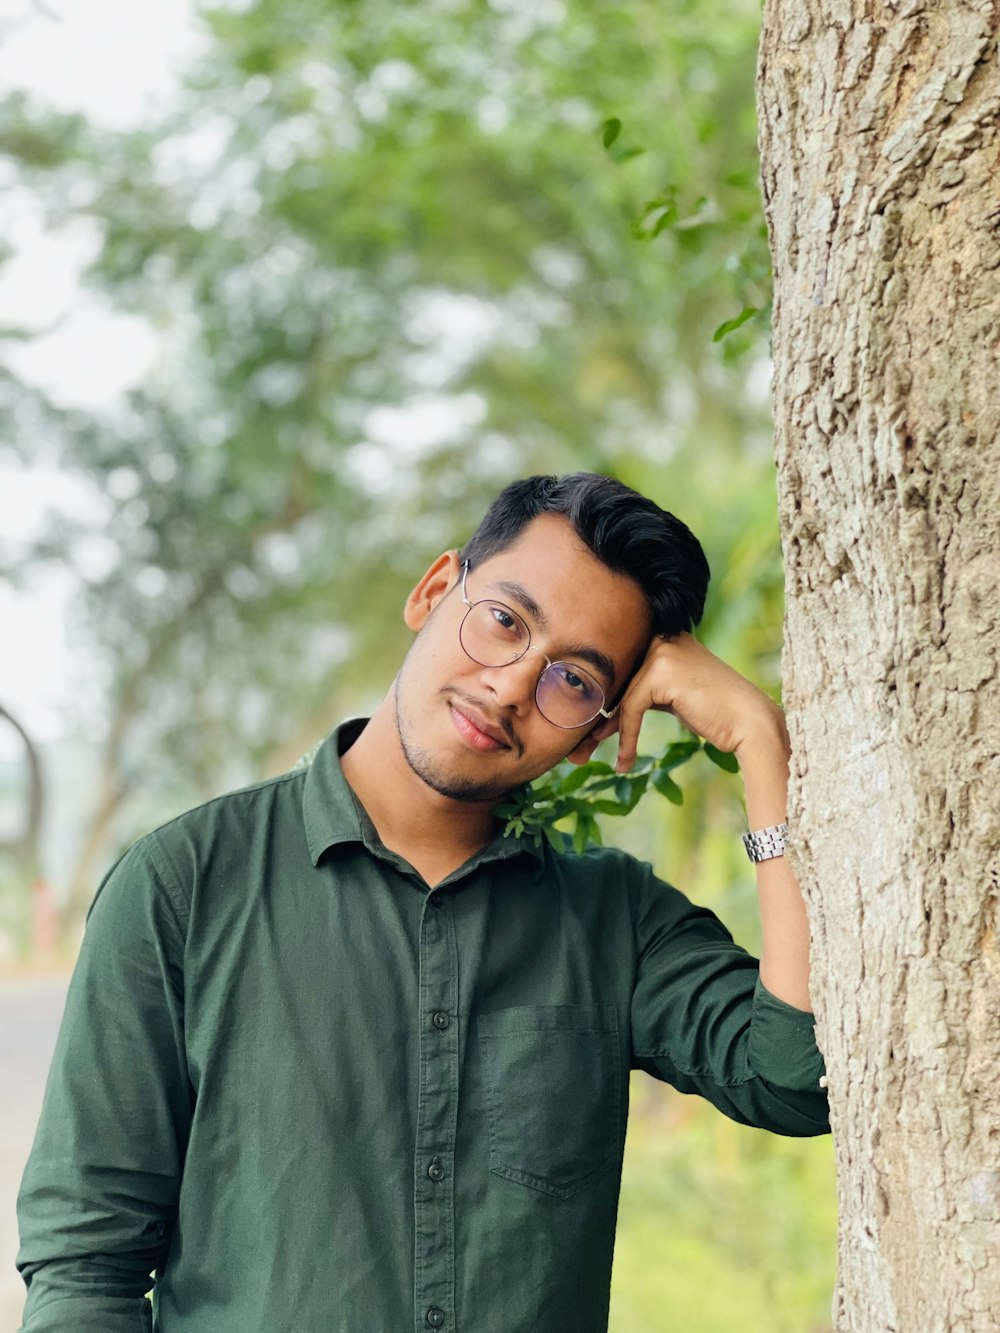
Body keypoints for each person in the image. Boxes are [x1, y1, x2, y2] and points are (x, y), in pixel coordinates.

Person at [16, 473, 829, 1333]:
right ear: (435, 592)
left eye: (574, 680)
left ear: (596, 732)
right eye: (506, 621)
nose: (513, 685)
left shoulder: (614, 922)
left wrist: (758, 740)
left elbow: (797, 1079)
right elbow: (85, 1264)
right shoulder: (182, 885)